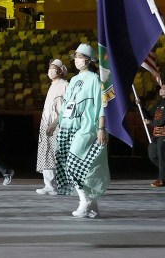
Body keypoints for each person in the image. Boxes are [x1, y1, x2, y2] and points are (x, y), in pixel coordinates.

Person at [53, 44, 109, 219]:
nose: (76, 60)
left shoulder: (95, 79)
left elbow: (102, 106)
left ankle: (84, 201)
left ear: (88, 59)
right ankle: (93, 206)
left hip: (87, 127)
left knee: (74, 164)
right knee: (74, 164)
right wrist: (56, 123)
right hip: (69, 127)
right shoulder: (74, 80)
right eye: (75, 56)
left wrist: (101, 127)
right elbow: (65, 108)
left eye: (80, 56)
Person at [36, 58, 68, 195]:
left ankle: (62, 184)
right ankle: (49, 184)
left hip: (58, 124)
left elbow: (65, 107)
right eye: (50, 67)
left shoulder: (65, 85)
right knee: (47, 153)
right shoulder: (52, 85)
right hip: (46, 123)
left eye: (54, 68)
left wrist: (55, 123)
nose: (51, 70)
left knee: (58, 154)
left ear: (60, 70)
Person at [144, 82, 165, 187]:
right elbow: (149, 114)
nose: (160, 90)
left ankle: (161, 180)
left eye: (163, 89)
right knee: (152, 155)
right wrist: (140, 106)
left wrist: (150, 123)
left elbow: (164, 120)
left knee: (161, 158)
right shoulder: (159, 102)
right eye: (160, 88)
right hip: (156, 134)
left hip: (164, 134)